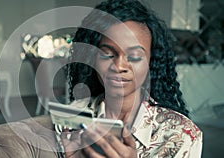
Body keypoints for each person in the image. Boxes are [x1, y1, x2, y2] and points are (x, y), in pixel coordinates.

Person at [55, 0, 203, 157]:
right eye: (107, 54)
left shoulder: (182, 135)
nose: (119, 66)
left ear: (151, 62)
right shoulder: (70, 119)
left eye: (134, 57)